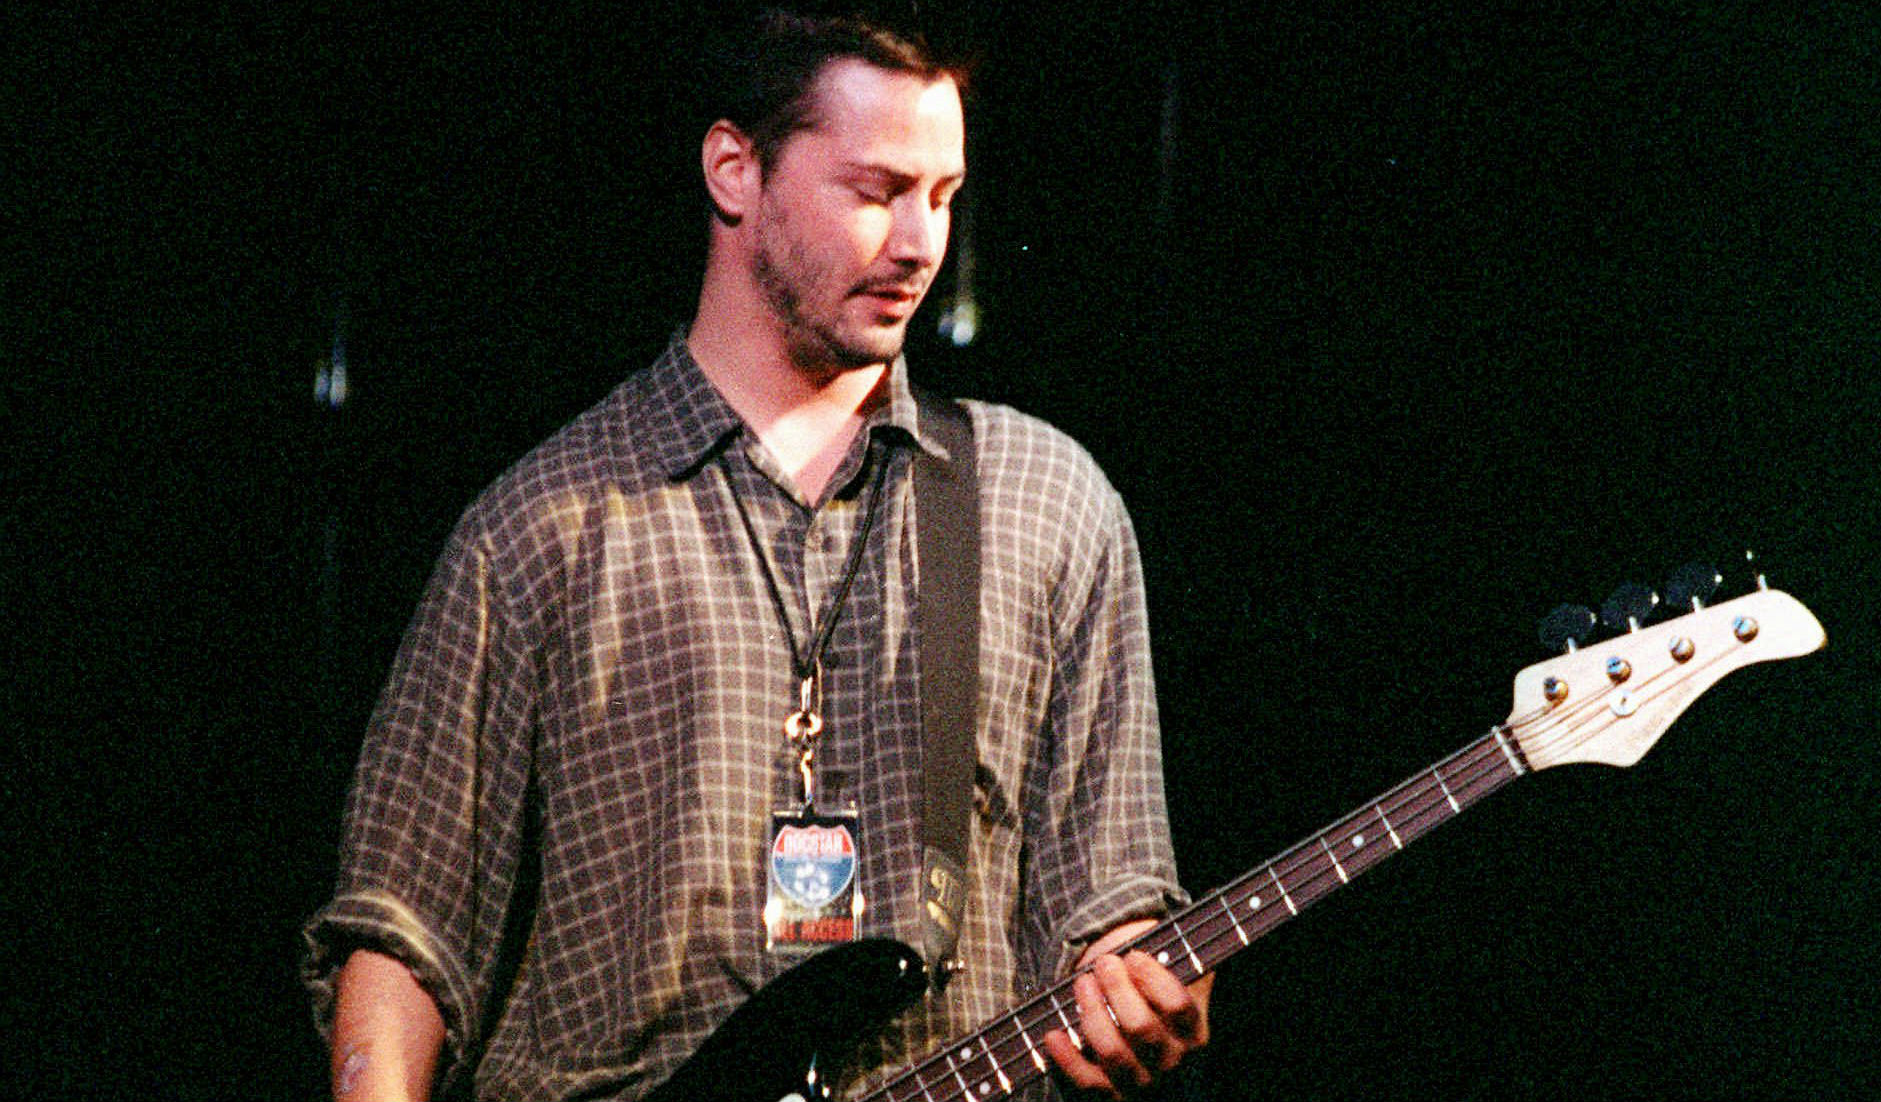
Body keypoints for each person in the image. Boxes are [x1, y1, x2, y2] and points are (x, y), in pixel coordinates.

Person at [302, 9, 1210, 1100]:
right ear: (735, 171)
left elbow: (1107, 909)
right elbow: (403, 937)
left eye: (943, 196)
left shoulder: (1048, 505)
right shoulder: (539, 527)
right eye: (876, 193)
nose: (922, 243)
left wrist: (1140, 990)